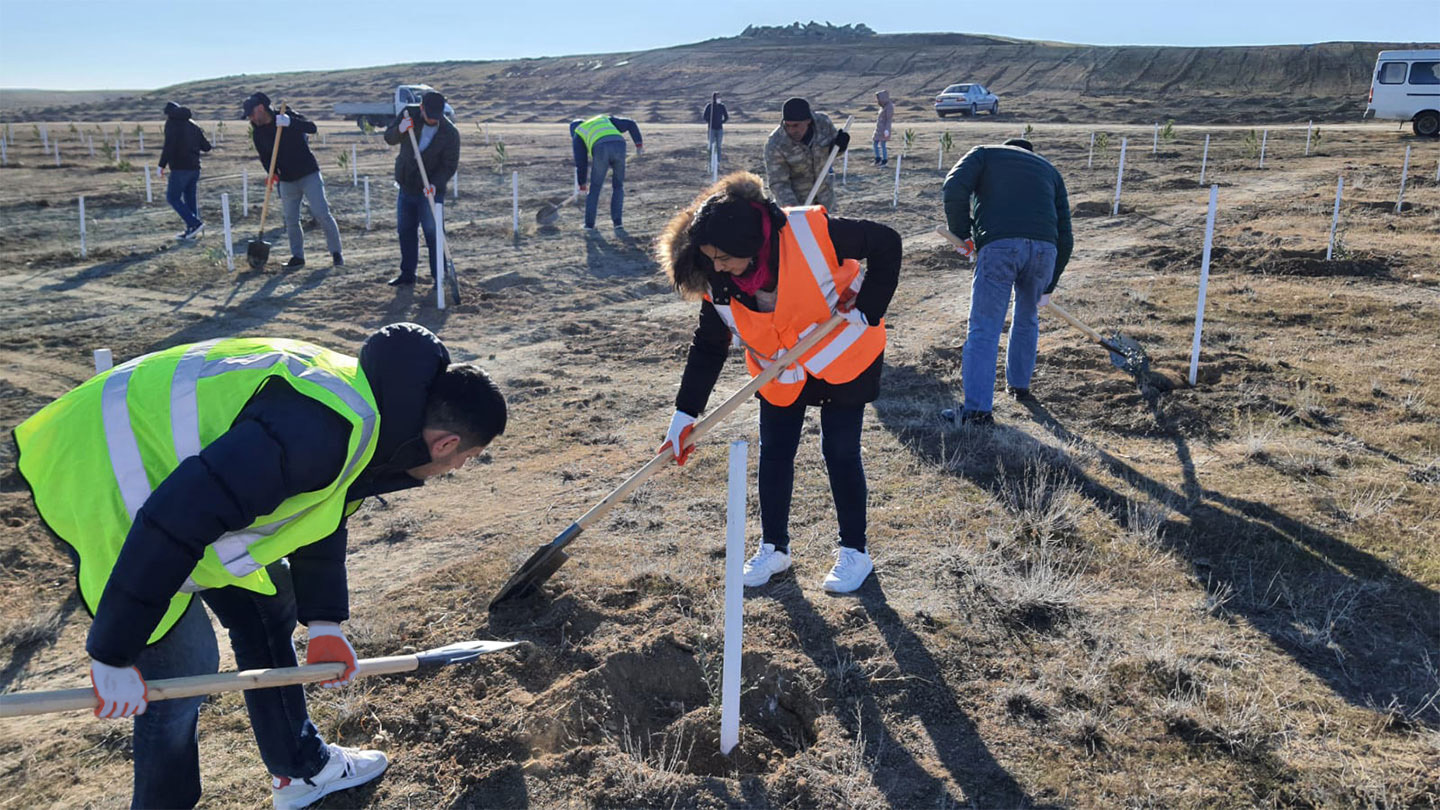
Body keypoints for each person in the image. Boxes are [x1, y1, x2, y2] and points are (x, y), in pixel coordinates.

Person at [12, 323, 507, 810]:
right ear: (445, 444)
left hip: (180, 485)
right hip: (104, 470)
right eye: (466, 458)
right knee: (185, 667)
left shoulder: (372, 414)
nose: (456, 470)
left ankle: (300, 769)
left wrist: (323, 621)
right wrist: (113, 654)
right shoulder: (319, 430)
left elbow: (321, 509)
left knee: (271, 603)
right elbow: (175, 520)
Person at [655, 172, 900, 593]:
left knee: (840, 450)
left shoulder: (811, 232)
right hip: (780, 371)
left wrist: (870, 307)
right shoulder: (715, 276)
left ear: (750, 245)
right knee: (774, 453)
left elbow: (887, 242)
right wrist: (683, 414)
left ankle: (855, 552)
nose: (717, 267)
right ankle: (775, 548)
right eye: (710, 258)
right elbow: (710, 345)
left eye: (724, 258)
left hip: (844, 351)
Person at [941, 138, 1073, 425]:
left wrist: (961, 233)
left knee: (985, 327)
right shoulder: (1050, 171)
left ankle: (977, 411)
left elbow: (953, 186)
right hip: (1045, 252)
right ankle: (1019, 387)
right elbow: (1066, 236)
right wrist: (1049, 286)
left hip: (1000, 246)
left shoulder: (984, 154)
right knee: (1027, 317)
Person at [242, 92, 344, 269]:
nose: (250, 118)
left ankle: (336, 253)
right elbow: (265, 156)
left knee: (322, 214)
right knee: (290, 220)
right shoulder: (257, 132)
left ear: (260, 109)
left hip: (308, 173)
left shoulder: (286, 115)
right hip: (286, 179)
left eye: (251, 114)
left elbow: (312, 127)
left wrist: (291, 122)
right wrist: (272, 173)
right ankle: (297, 256)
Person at [383, 91, 460, 287]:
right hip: (407, 185)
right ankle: (407, 275)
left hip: (431, 190)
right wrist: (400, 129)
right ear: (422, 108)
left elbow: (449, 165)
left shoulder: (450, 134)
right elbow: (389, 138)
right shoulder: (409, 114)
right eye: (429, 115)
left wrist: (436, 184)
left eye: (437, 116)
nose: (433, 120)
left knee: (433, 232)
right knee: (405, 230)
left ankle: (439, 277)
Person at [763, 97, 849, 210]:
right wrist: (795, 212)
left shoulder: (823, 124)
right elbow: (779, 183)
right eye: (787, 125)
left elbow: (831, 154)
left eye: (796, 126)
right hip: (797, 204)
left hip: (826, 200)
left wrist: (840, 146)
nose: (791, 130)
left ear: (808, 121)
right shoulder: (776, 144)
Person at [570, 113, 644, 231]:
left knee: (595, 188)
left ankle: (589, 225)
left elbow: (581, 163)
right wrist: (639, 145)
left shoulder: (578, 133)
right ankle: (618, 224)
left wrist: (582, 184)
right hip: (620, 145)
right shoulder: (602, 119)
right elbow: (631, 124)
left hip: (601, 149)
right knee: (618, 186)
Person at [157, 100, 212, 240]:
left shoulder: (171, 124)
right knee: (189, 199)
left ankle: (194, 223)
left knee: (172, 197)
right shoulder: (193, 124)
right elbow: (206, 147)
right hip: (195, 168)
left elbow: (168, 146)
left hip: (180, 168)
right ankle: (192, 230)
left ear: (169, 114)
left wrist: (161, 165)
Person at [702, 94, 728, 163]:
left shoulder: (722, 106)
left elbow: (726, 116)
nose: (719, 99)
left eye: (719, 97)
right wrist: (710, 122)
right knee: (711, 145)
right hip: (711, 129)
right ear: (714, 98)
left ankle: (718, 161)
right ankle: (710, 160)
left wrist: (721, 122)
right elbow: (704, 116)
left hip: (719, 129)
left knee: (719, 145)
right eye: (717, 97)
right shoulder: (710, 106)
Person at [872, 90, 894, 166]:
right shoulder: (882, 106)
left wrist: (887, 129)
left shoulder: (889, 106)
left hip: (884, 129)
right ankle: (878, 158)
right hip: (879, 128)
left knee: (883, 144)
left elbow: (889, 119)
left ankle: (884, 160)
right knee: (875, 143)